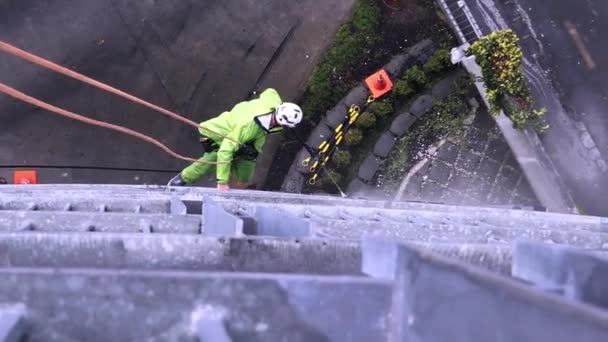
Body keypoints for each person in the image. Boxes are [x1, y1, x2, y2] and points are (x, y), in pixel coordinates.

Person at [168, 88, 302, 191]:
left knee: (246, 168)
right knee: (214, 158)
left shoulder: (273, 105)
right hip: (220, 133)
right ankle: (183, 178)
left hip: (246, 138)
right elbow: (225, 150)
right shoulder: (249, 126)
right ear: (281, 121)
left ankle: (241, 182)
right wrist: (222, 182)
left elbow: (270, 92)